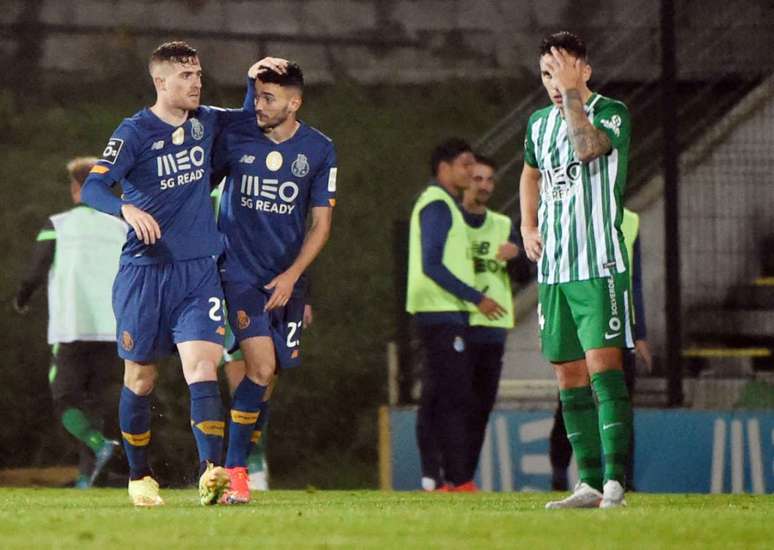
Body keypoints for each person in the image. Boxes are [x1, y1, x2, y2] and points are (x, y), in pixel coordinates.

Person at [80, 41, 275, 507]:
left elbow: (251, 118)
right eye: (185, 76)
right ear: (160, 82)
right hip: (144, 274)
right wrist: (125, 208)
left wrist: (253, 82)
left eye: (199, 74)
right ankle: (140, 475)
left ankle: (213, 472)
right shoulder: (134, 132)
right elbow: (92, 185)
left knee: (202, 367)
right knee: (141, 379)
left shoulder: (207, 119)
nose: (196, 83)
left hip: (198, 272)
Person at [212, 61, 336, 504]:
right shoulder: (240, 137)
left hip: (286, 280)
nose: (260, 106)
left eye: (269, 98)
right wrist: (249, 80)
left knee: (269, 375)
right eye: (257, 96)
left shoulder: (320, 150)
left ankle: (242, 452)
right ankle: (235, 470)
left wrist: (295, 278)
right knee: (257, 368)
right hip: (236, 274)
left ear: (294, 102)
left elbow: (320, 224)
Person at [519, 31, 634, 508]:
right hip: (554, 270)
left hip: (598, 262)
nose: (553, 82)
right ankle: (586, 481)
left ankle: (614, 481)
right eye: (546, 73)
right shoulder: (538, 123)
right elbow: (530, 171)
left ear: (584, 70)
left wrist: (570, 95)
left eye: (562, 70)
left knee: (602, 368)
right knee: (567, 375)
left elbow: (588, 149)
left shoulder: (612, 111)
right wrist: (527, 224)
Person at [13, 157, 126, 488]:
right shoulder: (122, 226)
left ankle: (98, 447)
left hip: (73, 325)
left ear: (77, 190)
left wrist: (21, 298)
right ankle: (85, 478)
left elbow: (36, 268)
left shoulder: (59, 225)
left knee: (65, 397)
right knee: (97, 400)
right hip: (113, 329)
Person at [406, 138, 506, 492]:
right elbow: (432, 264)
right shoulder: (437, 204)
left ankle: (440, 477)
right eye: (465, 164)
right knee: (452, 395)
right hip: (440, 309)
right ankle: (453, 478)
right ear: (444, 168)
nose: (470, 170)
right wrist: (475, 297)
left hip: (446, 311)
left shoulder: (447, 204)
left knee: (441, 393)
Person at [549, 208, 652, 491]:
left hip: (617, 321)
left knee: (620, 400)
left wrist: (639, 331)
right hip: (581, 318)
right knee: (572, 397)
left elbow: (635, 279)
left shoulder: (630, 219)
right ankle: (560, 473)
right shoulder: (569, 208)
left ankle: (620, 478)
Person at [460, 155, 521, 482]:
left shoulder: (502, 224)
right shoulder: (450, 220)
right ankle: (448, 474)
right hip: (459, 321)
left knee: (481, 406)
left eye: (489, 180)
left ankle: (464, 477)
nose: (484, 186)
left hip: (494, 328)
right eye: (477, 179)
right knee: (456, 403)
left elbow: (524, 273)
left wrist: (519, 254)